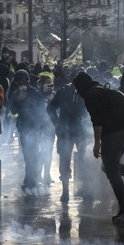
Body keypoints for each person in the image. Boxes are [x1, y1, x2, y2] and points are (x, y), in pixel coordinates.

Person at [73, 72, 124, 224]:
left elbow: (97, 119)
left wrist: (97, 143)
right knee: (108, 167)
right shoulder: (102, 90)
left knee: (112, 172)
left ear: (81, 86)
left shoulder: (91, 94)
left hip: (112, 136)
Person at [47, 70, 88, 202]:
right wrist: (57, 122)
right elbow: (50, 108)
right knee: (65, 160)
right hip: (65, 130)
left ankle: (83, 187)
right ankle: (65, 191)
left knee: (83, 159)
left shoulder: (86, 92)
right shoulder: (64, 91)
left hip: (80, 130)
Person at [10, 69, 47, 192]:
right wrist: (18, 99)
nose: (22, 85)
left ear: (27, 81)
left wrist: (39, 123)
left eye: (23, 82)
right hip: (24, 128)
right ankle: (29, 179)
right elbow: (13, 111)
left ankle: (32, 180)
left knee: (33, 154)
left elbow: (41, 109)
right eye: (19, 83)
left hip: (34, 127)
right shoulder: (16, 94)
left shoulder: (35, 93)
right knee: (28, 155)